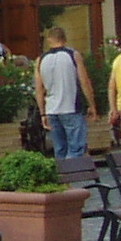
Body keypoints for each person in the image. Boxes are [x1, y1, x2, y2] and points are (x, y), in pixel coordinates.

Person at [33, 27, 95, 160]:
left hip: (52, 110)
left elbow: (39, 89)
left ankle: (62, 172)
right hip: (71, 108)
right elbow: (84, 82)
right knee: (76, 149)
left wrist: (43, 113)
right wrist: (92, 105)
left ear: (49, 40)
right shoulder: (73, 55)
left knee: (60, 149)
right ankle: (75, 171)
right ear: (65, 39)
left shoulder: (40, 60)